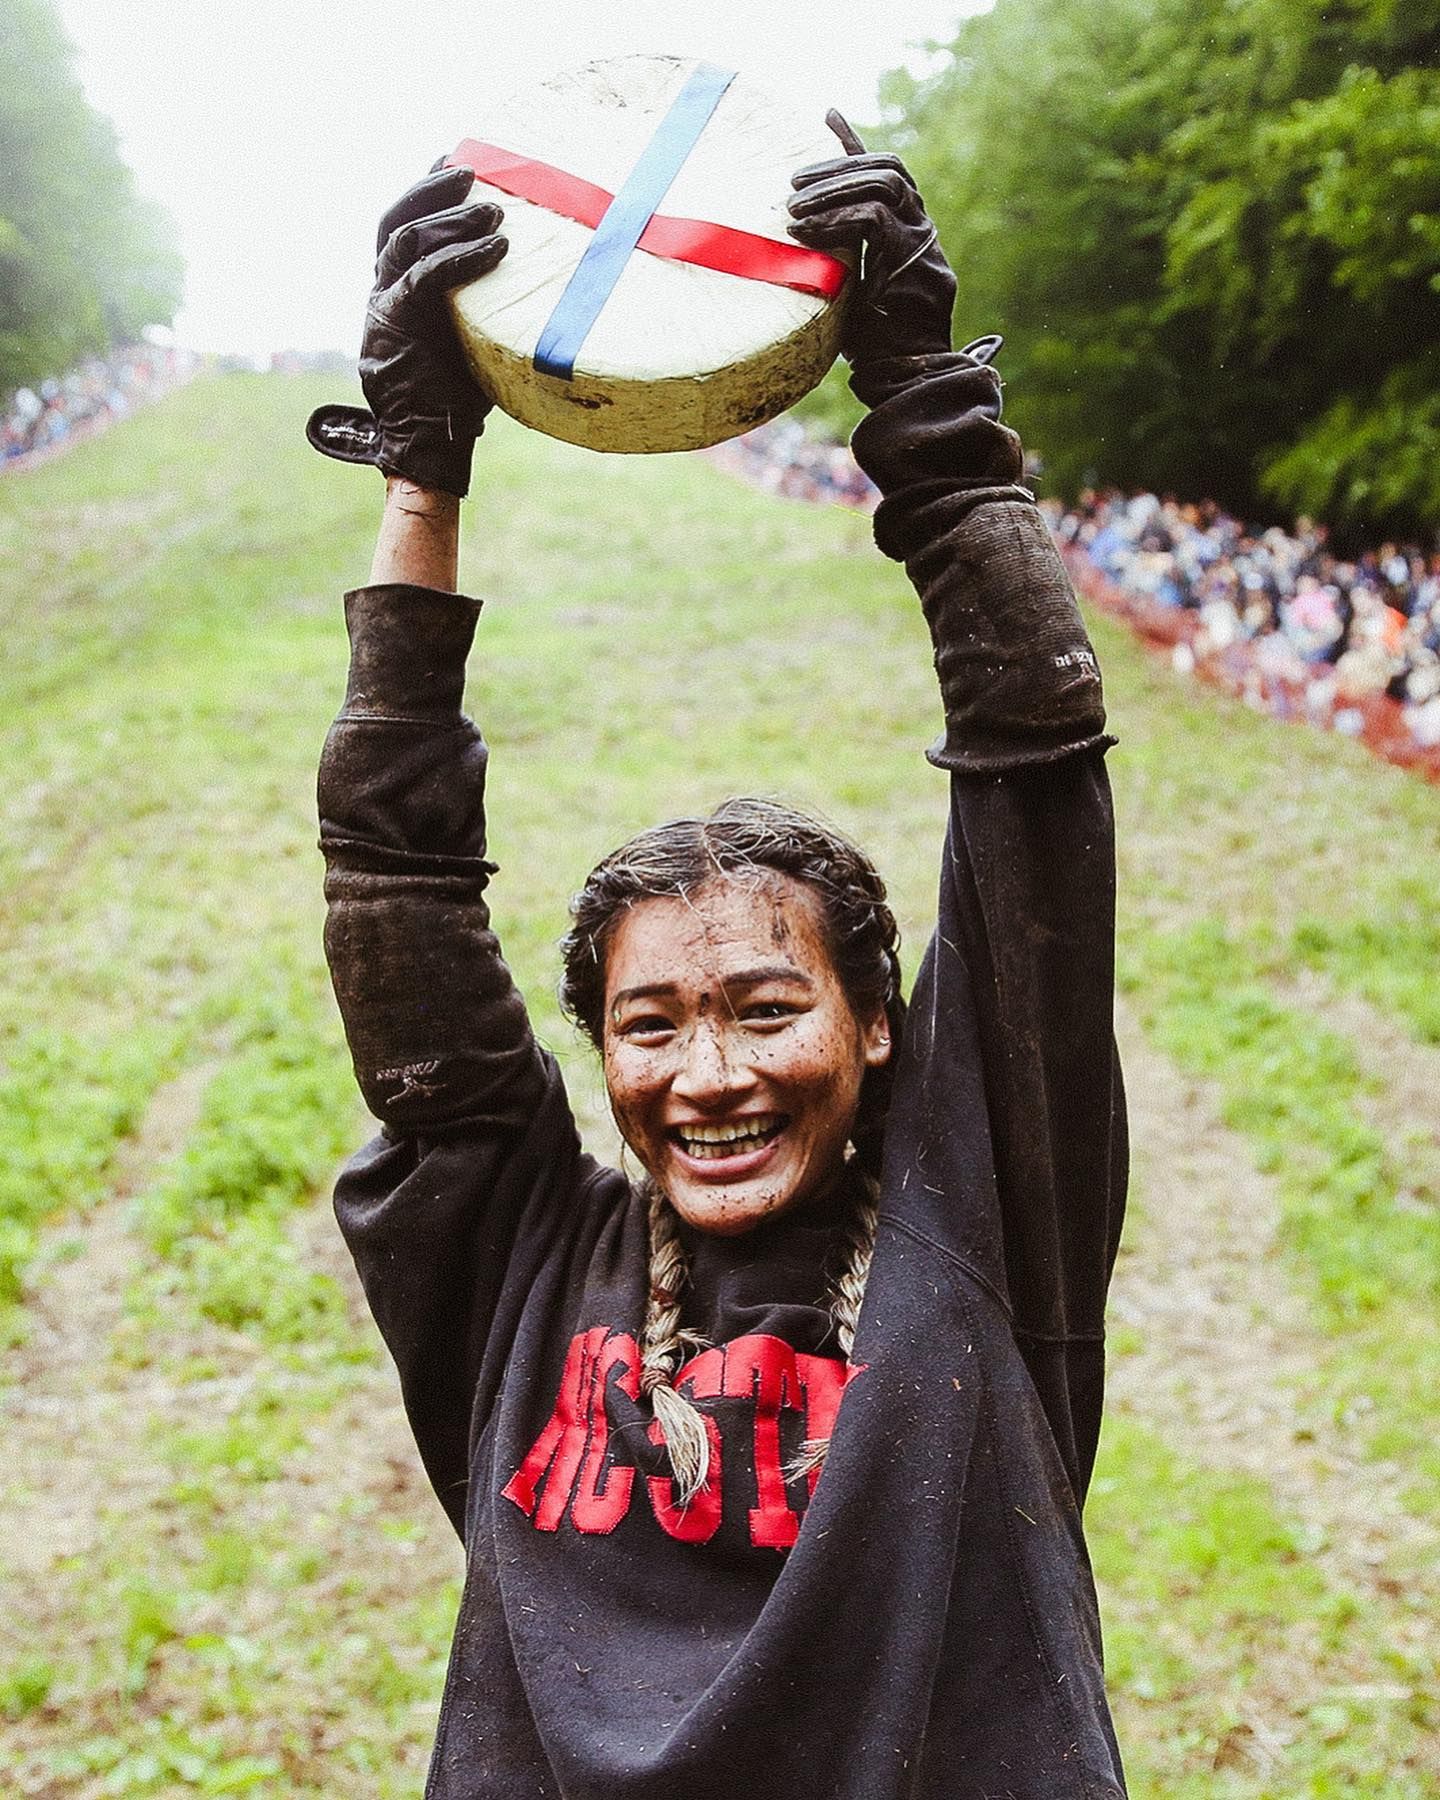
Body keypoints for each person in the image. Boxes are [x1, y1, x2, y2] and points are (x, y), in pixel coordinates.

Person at [308, 113, 1129, 1800]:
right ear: (595, 1053)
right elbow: (396, 881)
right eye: (651, 1024)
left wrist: (932, 420)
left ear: (881, 1024)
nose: (711, 1074)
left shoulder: (981, 1223)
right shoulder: (523, 1254)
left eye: (768, 1009)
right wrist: (419, 477)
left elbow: (1036, 769)